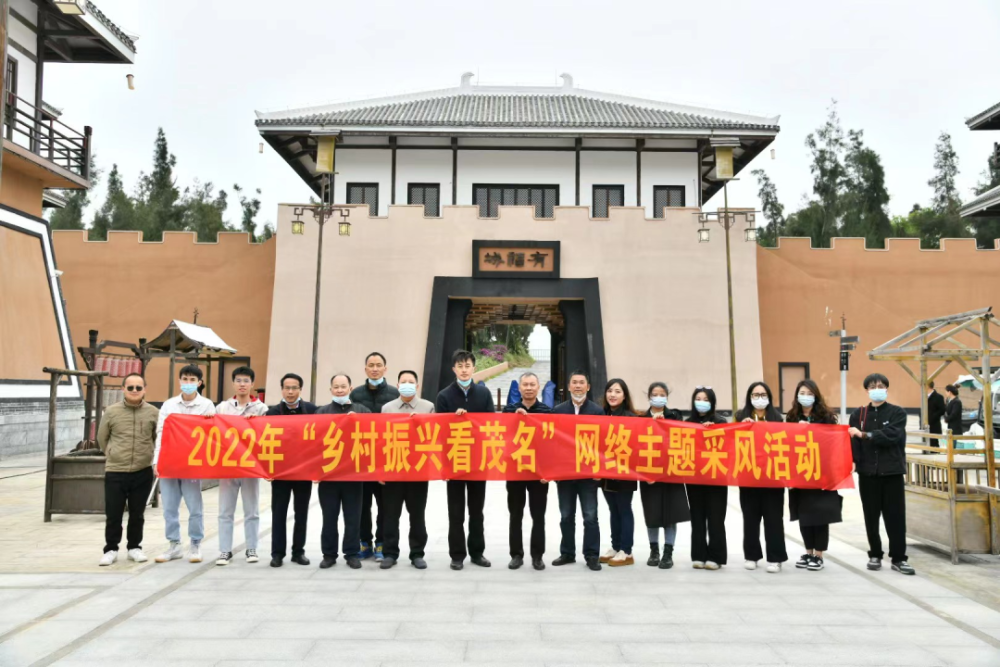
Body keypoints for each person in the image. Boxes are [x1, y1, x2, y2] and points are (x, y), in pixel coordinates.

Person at [849, 373, 914, 575]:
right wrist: (853, 461)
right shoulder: (858, 415)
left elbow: (892, 436)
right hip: (868, 474)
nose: (877, 388)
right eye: (872, 386)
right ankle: (875, 554)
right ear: (867, 390)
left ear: (886, 388)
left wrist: (865, 434)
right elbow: (853, 444)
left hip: (892, 473)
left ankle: (898, 558)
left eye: (880, 385)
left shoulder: (897, 413)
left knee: (895, 517)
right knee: (871, 516)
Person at [436, 349, 494, 571]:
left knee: (476, 511)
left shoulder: (484, 394)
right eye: (459, 366)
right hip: (455, 461)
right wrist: (454, 421)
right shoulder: (444, 396)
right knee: (456, 511)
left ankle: (477, 553)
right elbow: (439, 433)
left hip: (478, 461)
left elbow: (491, 427)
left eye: (467, 365)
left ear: (474, 368)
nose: (463, 369)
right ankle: (457, 555)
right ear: (453, 369)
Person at [154, 364, 216, 564]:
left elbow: (212, 433)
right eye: (185, 379)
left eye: (192, 380)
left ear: (199, 383)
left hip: (192, 464)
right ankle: (174, 545)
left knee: (194, 506)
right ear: (179, 381)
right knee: (169, 507)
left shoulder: (206, 405)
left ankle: (195, 543)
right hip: (170, 463)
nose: (188, 383)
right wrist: (157, 460)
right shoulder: (169, 405)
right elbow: (161, 434)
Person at [98, 373, 159, 566]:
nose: (134, 391)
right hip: (116, 470)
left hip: (142, 470)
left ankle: (134, 547)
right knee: (114, 513)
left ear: (144, 390)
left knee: (137, 513)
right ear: (123, 389)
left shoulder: (153, 412)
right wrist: (112, 453)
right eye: (130, 387)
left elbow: (157, 438)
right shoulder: (111, 411)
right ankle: (111, 549)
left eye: (138, 388)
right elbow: (102, 438)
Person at [214, 366, 269, 566]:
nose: (242, 384)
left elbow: (266, 435)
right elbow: (214, 433)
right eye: (238, 380)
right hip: (228, 466)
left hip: (250, 466)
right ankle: (224, 550)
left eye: (246, 381)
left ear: (252, 384)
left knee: (251, 510)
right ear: (233, 383)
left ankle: (251, 548)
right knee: (225, 511)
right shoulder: (222, 408)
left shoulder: (261, 409)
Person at [785, 379, 842, 572]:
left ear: (816, 396)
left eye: (809, 393)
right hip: (800, 472)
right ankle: (808, 551)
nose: (805, 397)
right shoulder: (791, 417)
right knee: (804, 514)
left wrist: (811, 431)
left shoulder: (826, 417)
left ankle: (818, 554)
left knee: (820, 513)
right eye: (802, 393)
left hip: (821, 473)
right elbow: (785, 444)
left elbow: (833, 444)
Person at [380, 369, 434, 570]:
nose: (407, 384)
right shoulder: (387, 408)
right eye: (403, 381)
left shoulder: (427, 407)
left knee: (417, 514)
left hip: (418, 471)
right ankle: (390, 553)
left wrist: (420, 424)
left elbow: (433, 437)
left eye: (411, 381)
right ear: (397, 385)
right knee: (390, 515)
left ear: (417, 386)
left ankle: (417, 553)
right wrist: (381, 470)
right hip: (393, 469)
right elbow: (381, 440)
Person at [316, 374, 369, 570]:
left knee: (353, 517)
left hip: (354, 476)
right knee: (329, 517)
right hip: (328, 476)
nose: (339, 390)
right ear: (330, 390)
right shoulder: (322, 412)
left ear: (350, 388)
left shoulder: (362, 411)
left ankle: (352, 553)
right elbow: (313, 444)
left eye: (343, 386)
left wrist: (358, 422)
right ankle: (329, 554)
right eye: (336, 387)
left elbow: (373, 438)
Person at [551, 369, 604, 571]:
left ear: (588, 387)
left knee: (590, 516)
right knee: (566, 515)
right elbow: (553, 443)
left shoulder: (597, 411)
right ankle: (567, 553)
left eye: (582, 382)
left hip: (588, 475)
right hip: (565, 474)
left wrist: (599, 469)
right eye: (574, 382)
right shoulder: (558, 410)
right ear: (569, 386)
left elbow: (601, 443)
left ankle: (592, 555)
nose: (578, 386)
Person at [350, 352, 399, 562]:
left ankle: (381, 544)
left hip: (387, 457)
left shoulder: (395, 394)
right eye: (371, 365)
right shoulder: (356, 394)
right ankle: (364, 543)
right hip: (361, 458)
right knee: (362, 505)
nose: (375, 368)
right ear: (365, 369)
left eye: (379, 365)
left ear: (385, 369)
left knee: (385, 506)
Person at [502, 372, 552, 571]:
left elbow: (552, 445)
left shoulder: (547, 412)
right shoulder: (509, 411)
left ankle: (537, 555)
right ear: (519, 388)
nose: (529, 388)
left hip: (539, 474)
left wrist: (548, 471)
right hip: (515, 471)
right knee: (516, 514)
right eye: (525, 385)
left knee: (538, 515)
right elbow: (502, 439)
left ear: (538, 388)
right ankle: (516, 554)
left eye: (532, 384)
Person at [266, 373, 317, 568]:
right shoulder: (272, 413)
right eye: (286, 388)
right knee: (278, 514)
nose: (290, 392)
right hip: (280, 473)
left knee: (301, 513)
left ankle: (298, 552)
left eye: (294, 388)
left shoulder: (312, 410)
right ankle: (277, 553)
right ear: (281, 390)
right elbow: (263, 442)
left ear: (300, 390)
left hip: (303, 472)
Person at [736, 381, 788, 573]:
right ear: (750, 397)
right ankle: (751, 556)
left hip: (773, 478)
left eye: (763, 395)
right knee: (750, 518)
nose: (759, 398)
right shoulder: (740, 417)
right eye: (755, 395)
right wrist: (741, 428)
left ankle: (775, 558)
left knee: (774, 519)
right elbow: (730, 444)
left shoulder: (777, 418)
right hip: (749, 477)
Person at [640, 382, 689, 570]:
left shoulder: (674, 415)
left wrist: (664, 424)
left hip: (671, 474)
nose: (658, 397)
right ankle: (654, 551)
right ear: (649, 396)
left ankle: (668, 553)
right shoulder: (641, 419)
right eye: (654, 394)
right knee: (652, 514)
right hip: (649, 475)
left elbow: (683, 439)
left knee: (670, 514)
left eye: (662, 394)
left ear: (667, 396)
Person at [686, 387, 728, 570]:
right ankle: (698, 555)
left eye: (705, 399)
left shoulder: (721, 421)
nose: (701, 402)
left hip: (716, 476)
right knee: (697, 517)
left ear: (712, 402)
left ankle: (716, 556)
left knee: (716, 517)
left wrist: (715, 431)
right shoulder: (688, 422)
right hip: (695, 478)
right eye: (698, 398)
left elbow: (729, 445)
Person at [599, 378, 639, 567]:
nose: (613, 395)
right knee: (612, 509)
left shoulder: (631, 417)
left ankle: (626, 550)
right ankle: (615, 546)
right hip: (605, 473)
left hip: (624, 473)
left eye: (617, 391)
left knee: (624, 508)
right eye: (610, 391)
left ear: (624, 396)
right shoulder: (601, 415)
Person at [927, 381, 946, 449]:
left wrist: (932, 417)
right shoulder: (924, 397)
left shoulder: (938, 397)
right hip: (925, 426)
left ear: (928, 386)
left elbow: (942, 410)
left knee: (934, 446)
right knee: (926, 446)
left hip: (934, 425)